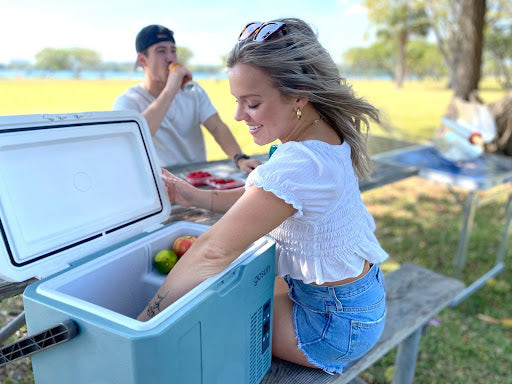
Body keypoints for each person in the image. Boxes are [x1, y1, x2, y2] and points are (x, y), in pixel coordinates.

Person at [138, 18, 388, 374]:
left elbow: (213, 251)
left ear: (299, 94)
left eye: (252, 103)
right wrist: (198, 198)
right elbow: (266, 195)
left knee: (204, 313)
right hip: (357, 304)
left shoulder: (300, 161)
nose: (239, 116)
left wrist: (141, 323)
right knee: (236, 284)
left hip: (330, 328)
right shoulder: (323, 132)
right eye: (237, 102)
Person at [113, 24, 260, 172]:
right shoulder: (128, 101)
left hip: (196, 175)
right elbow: (132, 139)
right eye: (161, 51)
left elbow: (217, 127)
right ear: (142, 60)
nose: (170, 58)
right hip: (157, 178)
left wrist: (240, 158)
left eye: (173, 51)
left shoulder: (193, 91)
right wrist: (170, 90)